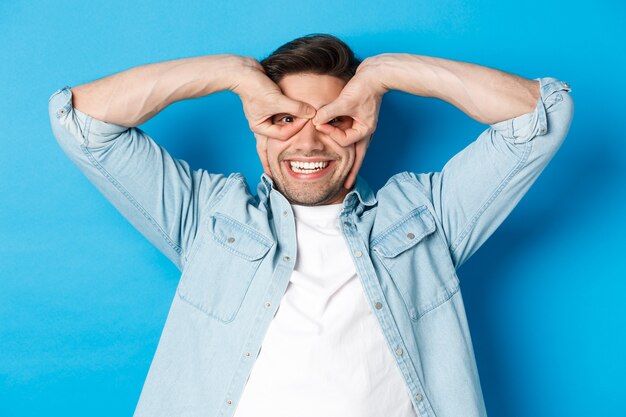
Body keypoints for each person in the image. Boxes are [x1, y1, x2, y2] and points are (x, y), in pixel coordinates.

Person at [48, 33, 574, 417]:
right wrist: (233, 74)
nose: (307, 141)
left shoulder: (428, 215)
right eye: (284, 119)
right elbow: (82, 123)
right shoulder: (208, 215)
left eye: (334, 119)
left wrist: (386, 74)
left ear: (364, 126)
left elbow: (539, 118)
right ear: (259, 129)